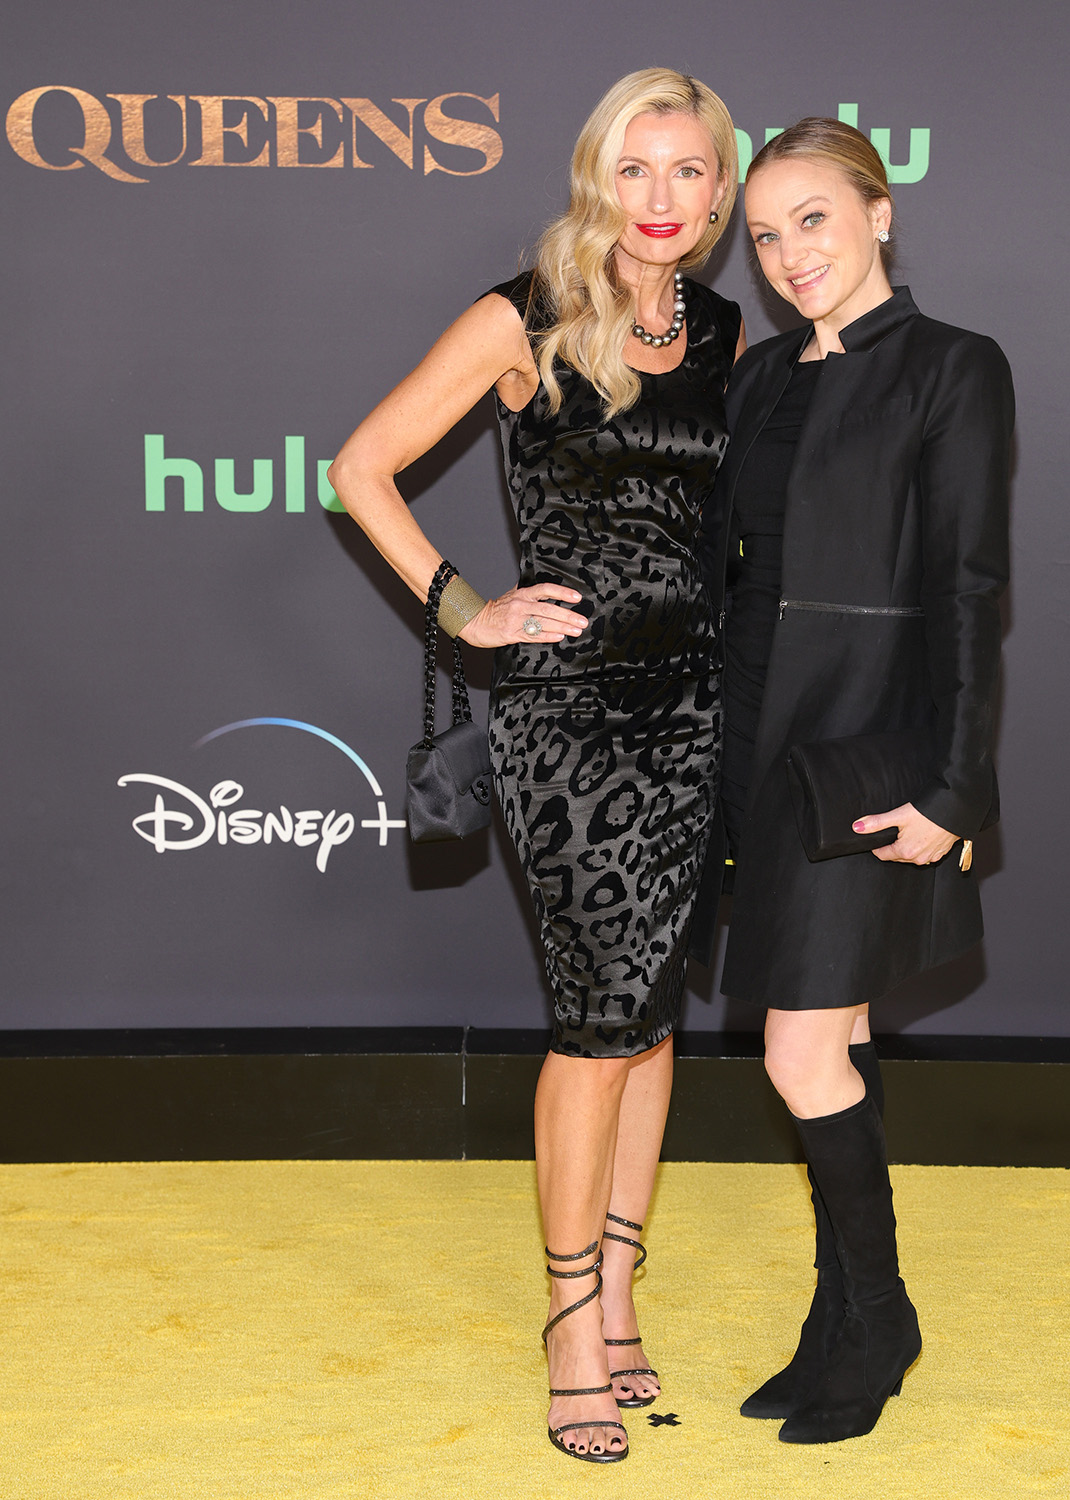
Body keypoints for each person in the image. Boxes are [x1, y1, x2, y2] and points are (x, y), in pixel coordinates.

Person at [327, 69, 744, 1464]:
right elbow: (361, 465)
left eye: (688, 173)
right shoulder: (526, 318)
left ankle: (621, 1287)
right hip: (569, 720)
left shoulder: (728, 331)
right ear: (595, 178)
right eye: (637, 170)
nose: (662, 201)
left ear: (719, 187)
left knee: (655, 1010)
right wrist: (467, 608)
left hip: (692, 712)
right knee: (594, 1021)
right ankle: (569, 1321)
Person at [692, 117, 1014, 1445]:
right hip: (752, 750)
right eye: (763, 236)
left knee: (798, 1046)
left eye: (811, 220)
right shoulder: (761, 378)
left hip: (863, 763)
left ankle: (875, 1316)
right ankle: (839, 1319)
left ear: (878, 214)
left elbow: (967, 590)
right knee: (838, 1039)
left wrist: (953, 792)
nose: (787, 255)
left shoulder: (952, 370)